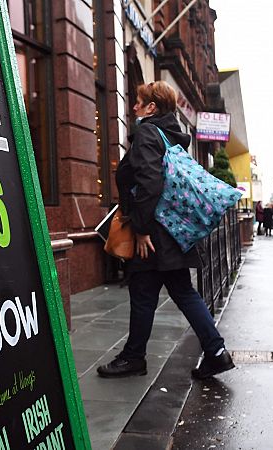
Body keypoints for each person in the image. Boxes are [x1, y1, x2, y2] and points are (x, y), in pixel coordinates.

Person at [98, 81, 234, 380]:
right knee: (183, 291)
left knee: (144, 292)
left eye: (139, 102)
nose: (134, 107)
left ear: (152, 107)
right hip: (173, 231)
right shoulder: (171, 135)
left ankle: (134, 358)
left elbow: (149, 181)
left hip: (154, 232)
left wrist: (143, 229)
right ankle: (216, 353)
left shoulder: (148, 132)